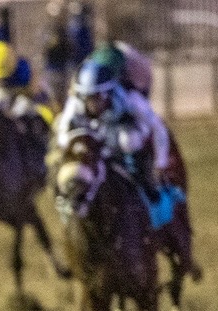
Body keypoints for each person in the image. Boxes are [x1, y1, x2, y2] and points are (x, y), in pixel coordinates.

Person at [54, 58, 200, 278]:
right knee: (65, 176)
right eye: (88, 97)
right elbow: (63, 135)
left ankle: (165, 232)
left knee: (128, 142)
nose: (93, 103)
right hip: (92, 149)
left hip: (126, 148)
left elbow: (158, 130)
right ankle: (69, 220)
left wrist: (160, 164)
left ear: (108, 92)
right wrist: (84, 143)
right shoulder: (74, 105)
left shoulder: (131, 100)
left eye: (97, 96)